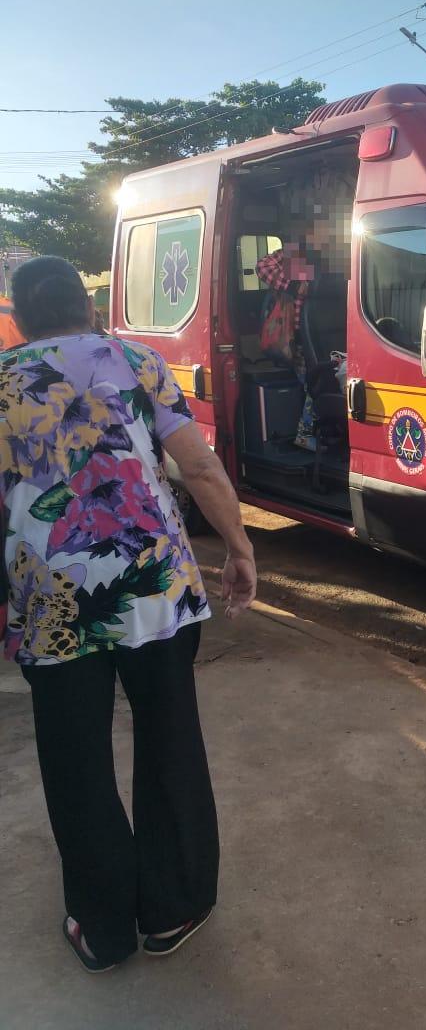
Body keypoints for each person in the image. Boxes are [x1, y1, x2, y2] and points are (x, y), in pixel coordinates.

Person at [0, 256, 257, 972]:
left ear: (19, 319)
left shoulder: (3, 381)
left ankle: (103, 927)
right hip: (155, 588)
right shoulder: (136, 360)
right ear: (86, 308)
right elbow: (198, 469)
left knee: (74, 758)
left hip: (53, 602)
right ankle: (175, 908)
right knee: (170, 733)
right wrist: (238, 548)